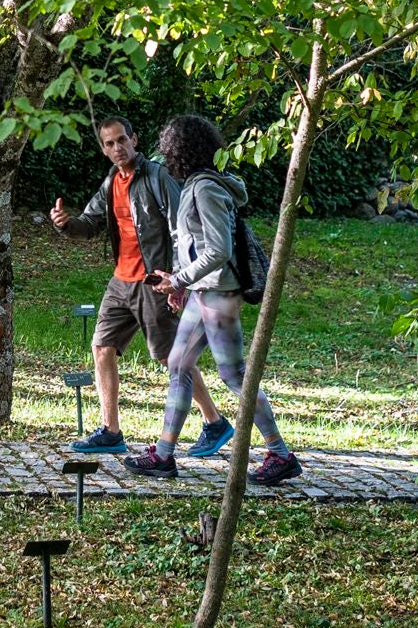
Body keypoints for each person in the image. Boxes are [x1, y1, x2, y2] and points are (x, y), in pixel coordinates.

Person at [124, 113, 302, 486]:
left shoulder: (205, 188)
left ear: (179, 150)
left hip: (219, 293)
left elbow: (218, 250)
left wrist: (179, 279)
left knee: (235, 376)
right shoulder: (199, 184)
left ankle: (280, 454)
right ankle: (163, 455)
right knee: (178, 364)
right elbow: (197, 245)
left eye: (168, 147)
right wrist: (184, 287)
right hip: (204, 291)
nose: (164, 154)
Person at [50, 116, 234, 457]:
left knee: (170, 357)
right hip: (121, 282)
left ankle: (215, 422)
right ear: (104, 150)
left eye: (122, 140)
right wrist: (66, 225)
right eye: (109, 144)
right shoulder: (111, 182)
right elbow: (90, 223)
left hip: (154, 281)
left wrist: (178, 280)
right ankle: (110, 431)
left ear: (134, 139)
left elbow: (183, 228)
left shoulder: (157, 176)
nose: (117, 148)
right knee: (102, 347)